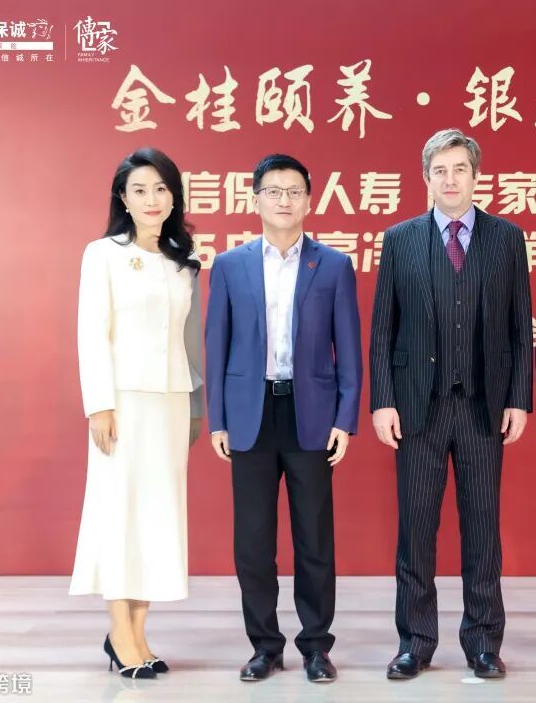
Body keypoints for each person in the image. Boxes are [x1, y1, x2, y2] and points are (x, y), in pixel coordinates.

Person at [369, 128, 533, 680]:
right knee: (416, 531)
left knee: (483, 529)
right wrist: (383, 401)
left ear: (476, 175)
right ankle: (415, 642)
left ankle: (483, 641)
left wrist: (519, 399)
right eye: (439, 170)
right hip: (419, 406)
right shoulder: (401, 239)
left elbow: (520, 326)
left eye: (460, 168)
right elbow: (382, 327)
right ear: (426, 179)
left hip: (484, 405)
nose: (450, 179)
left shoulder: (506, 238)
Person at [205, 154, 362, 684]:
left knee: (314, 539)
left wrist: (345, 417)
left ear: (309, 201)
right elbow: (216, 345)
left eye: (294, 192)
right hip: (250, 414)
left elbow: (349, 349)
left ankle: (316, 646)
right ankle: (265, 646)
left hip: (310, 414)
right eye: (273, 191)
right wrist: (218, 420)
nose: (284, 201)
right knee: (253, 541)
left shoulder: (333, 266)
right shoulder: (230, 266)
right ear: (255, 199)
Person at [70, 147, 205, 679]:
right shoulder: (102, 254)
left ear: (174, 197)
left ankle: (138, 633)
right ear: (123, 199)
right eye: (140, 190)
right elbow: (92, 332)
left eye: (162, 189)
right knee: (120, 513)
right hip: (122, 403)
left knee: (157, 515)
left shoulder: (182, 263)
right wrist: (99, 405)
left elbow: (188, 345)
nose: (152, 200)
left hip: (171, 403)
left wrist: (195, 409)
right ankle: (119, 634)